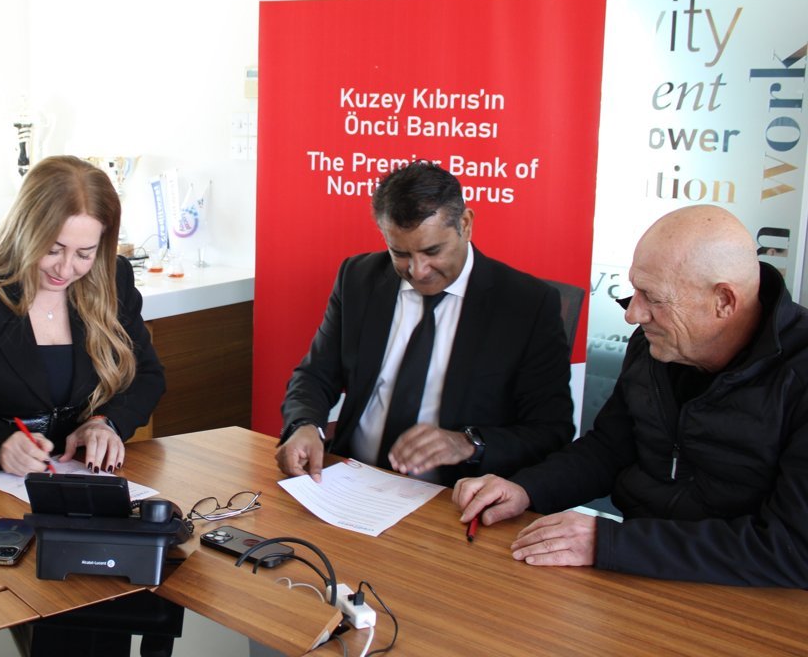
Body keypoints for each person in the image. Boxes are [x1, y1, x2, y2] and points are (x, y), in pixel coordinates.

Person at [454, 205, 808, 587]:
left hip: (747, 597)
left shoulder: (799, 375)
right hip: (639, 575)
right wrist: (526, 488)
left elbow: (792, 549)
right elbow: (610, 448)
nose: (633, 315)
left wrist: (609, 542)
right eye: (635, 291)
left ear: (724, 301)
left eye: (653, 298)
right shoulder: (657, 345)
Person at [276, 161, 574, 487]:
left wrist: (470, 443)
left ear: (465, 224)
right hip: (350, 478)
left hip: (453, 495)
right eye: (400, 253)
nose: (418, 271)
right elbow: (316, 375)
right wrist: (305, 425)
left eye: (432, 251)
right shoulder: (358, 278)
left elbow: (551, 431)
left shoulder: (526, 305)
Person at [0, 155, 165, 479]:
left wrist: (104, 422)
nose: (65, 269)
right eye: (52, 249)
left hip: (63, 475)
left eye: (84, 253)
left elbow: (146, 375)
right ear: (24, 231)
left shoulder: (112, 279)